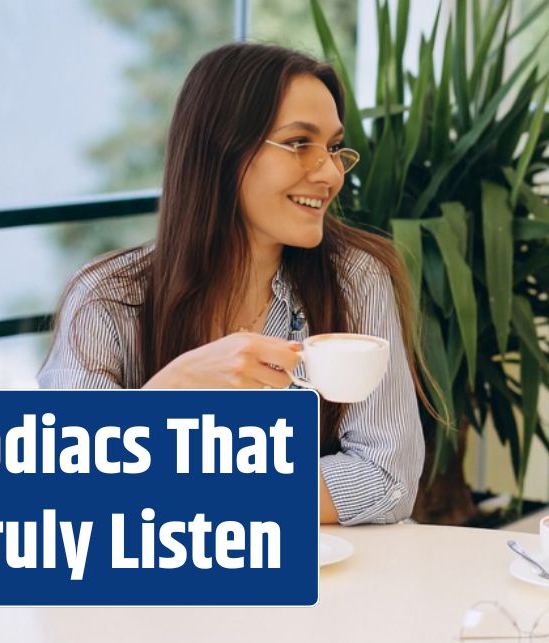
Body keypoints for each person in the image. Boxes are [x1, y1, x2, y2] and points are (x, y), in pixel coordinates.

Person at [39, 43, 425, 526]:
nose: (329, 173)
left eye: (331, 148)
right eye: (299, 143)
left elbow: (387, 476)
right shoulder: (107, 301)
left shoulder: (356, 280)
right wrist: (173, 387)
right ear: (221, 151)